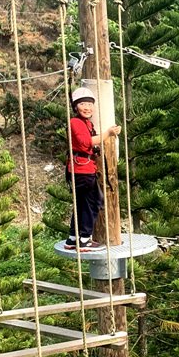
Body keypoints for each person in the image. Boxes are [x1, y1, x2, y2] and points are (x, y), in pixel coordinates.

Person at [65, 87, 120, 251]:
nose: (87, 107)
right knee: (93, 202)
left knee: (82, 203)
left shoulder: (86, 123)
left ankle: (73, 238)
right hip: (81, 169)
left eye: (89, 104)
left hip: (82, 167)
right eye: (82, 104)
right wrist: (108, 133)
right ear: (76, 107)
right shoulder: (75, 122)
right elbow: (85, 143)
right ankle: (84, 239)